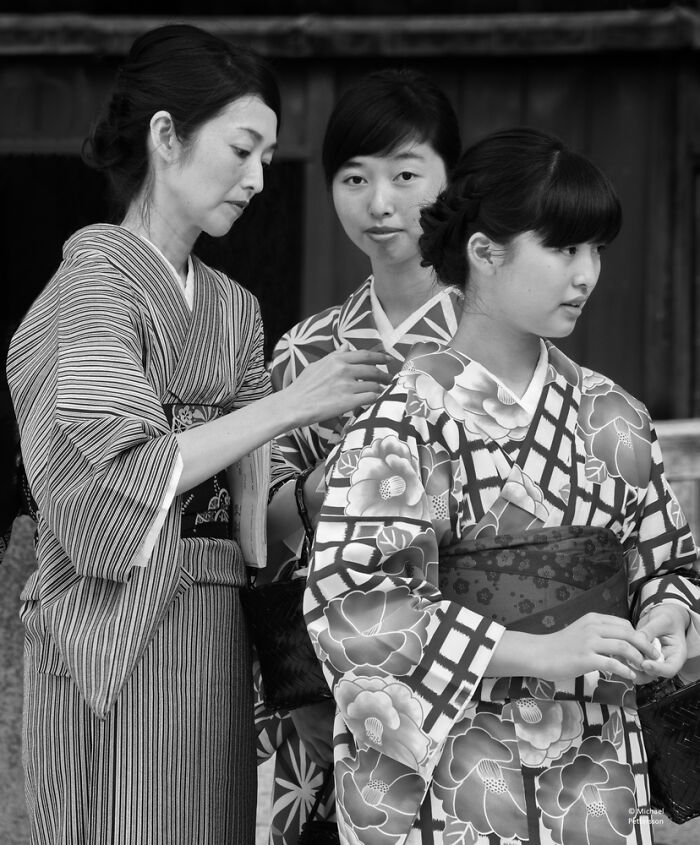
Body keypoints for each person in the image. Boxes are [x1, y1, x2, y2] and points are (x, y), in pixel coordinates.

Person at [6, 24, 390, 844]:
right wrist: (288, 406)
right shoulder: (95, 280)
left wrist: (287, 664)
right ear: (166, 136)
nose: (258, 179)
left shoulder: (233, 309)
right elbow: (112, 481)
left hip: (215, 629)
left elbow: (249, 518)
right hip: (114, 633)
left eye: (267, 157)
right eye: (243, 149)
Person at [304, 127, 700, 845]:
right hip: (455, 768)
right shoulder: (405, 419)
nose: (586, 274)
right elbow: (353, 604)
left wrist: (667, 618)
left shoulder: (614, 415)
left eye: (595, 250)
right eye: (563, 248)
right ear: (485, 252)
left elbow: (669, 563)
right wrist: (531, 649)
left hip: (592, 763)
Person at [257, 68, 462, 844]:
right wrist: (319, 488)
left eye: (406, 175)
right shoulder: (304, 349)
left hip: (476, 658)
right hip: (329, 671)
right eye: (354, 178)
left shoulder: (501, 336)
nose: (380, 204)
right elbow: (265, 521)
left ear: (452, 180)